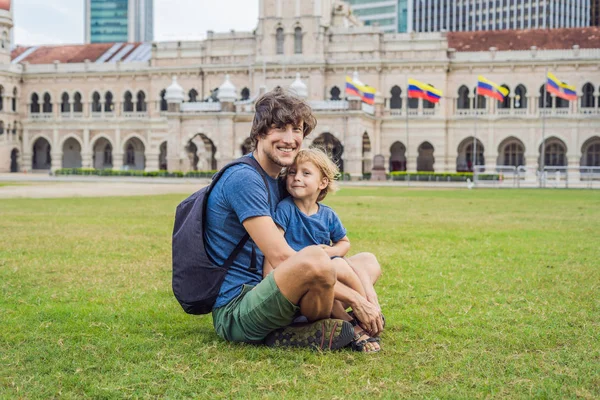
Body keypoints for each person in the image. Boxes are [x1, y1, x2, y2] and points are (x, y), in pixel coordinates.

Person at [205, 87, 383, 350]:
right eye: (280, 128)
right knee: (316, 259)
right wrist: (356, 299)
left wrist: (366, 295)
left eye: (297, 130)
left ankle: (308, 326)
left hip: (278, 289)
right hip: (239, 307)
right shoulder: (245, 179)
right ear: (259, 132)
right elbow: (281, 258)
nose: (290, 139)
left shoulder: (280, 180)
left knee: (366, 261)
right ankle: (307, 328)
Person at [263, 148, 381, 352]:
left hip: (327, 282)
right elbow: (272, 256)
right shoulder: (286, 209)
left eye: (305, 173)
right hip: (302, 287)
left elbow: (344, 243)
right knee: (335, 266)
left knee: (368, 260)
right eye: (292, 172)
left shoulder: (327, 215)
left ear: (323, 182)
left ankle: (365, 308)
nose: (296, 178)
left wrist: (329, 252)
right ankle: (353, 324)